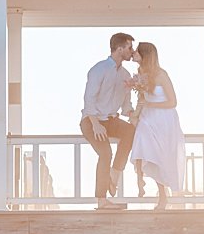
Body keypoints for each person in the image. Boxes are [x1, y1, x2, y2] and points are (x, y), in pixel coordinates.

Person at [80, 32, 137, 210]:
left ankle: (114, 175)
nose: (132, 51)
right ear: (119, 49)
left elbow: (126, 107)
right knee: (105, 153)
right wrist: (96, 123)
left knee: (130, 131)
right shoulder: (99, 69)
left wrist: (138, 112)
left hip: (111, 120)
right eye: (129, 47)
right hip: (91, 120)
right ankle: (101, 200)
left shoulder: (126, 75)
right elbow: (89, 99)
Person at [125, 42, 186, 210]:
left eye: (137, 51)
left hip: (164, 118)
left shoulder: (161, 75)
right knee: (141, 143)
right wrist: (135, 115)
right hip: (147, 118)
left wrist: (152, 106)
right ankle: (140, 177)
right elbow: (141, 100)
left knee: (161, 156)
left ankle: (163, 196)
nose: (134, 53)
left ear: (145, 55)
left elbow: (173, 101)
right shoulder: (139, 73)